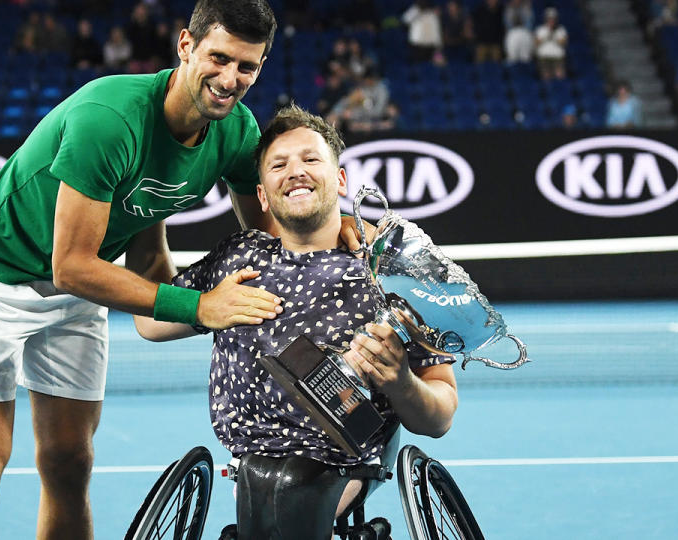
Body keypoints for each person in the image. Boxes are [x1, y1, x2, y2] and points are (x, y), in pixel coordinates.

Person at [0, 2, 369, 538]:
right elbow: (71, 266)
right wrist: (200, 307)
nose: (230, 78)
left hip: (81, 292)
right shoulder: (110, 119)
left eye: (247, 67)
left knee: (70, 461)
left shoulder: (235, 132)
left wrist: (342, 233)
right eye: (219, 57)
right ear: (185, 45)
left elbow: (275, 234)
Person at [133, 104, 459, 538]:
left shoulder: (390, 269)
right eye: (279, 165)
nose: (296, 172)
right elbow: (150, 324)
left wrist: (401, 381)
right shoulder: (238, 257)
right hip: (251, 461)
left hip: (343, 462)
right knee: (275, 491)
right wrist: (148, 208)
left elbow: (439, 418)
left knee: (289, 493)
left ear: (340, 179)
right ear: (263, 195)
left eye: (311, 159)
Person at [535, 7, 567, 80]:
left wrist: (554, 36)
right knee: (546, 77)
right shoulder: (540, 30)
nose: (551, 21)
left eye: (553, 19)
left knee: (560, 76)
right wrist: (546, 36)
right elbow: (536, 43)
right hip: (544, 57)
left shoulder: (561, 30)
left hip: (558, 57)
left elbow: (564, 43)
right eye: (549, 18)